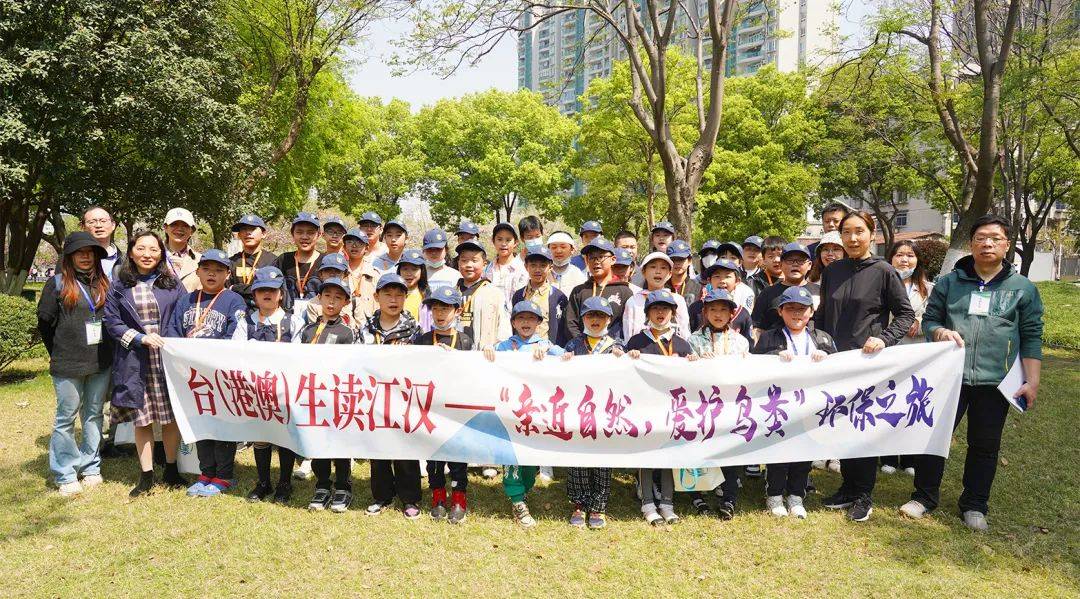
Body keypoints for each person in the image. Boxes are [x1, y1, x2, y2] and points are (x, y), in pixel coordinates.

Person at [901, 215, 1043, 532]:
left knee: (985, 445)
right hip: (949, 377)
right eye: (980, 237)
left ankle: (975, 504)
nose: (987, 243)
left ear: (1008, 245)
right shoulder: (951, 282)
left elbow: (1032, 336)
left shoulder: (1022, 289)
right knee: (934, 437)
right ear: (972, 243)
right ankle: (923, 497)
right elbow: (930, 321)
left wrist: (1031, 381)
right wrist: (938, 333)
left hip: (997, 381)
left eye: (995, 237)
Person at [817, 211, 915, 522]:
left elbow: (905, 315)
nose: (853, 238)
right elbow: (821, 318)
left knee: (862, 427)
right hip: (834, 363)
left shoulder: (884, 271)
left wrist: (884, 339)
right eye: (847, 232)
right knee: (841, 425)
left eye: (860, 231)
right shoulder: (833, 271)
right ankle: (847, 486)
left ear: (871, 235)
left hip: (868, 364)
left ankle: (863, 494)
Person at [103, 231, 187, 497]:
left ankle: (172, 469)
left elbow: (184, 314)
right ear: (131, 252)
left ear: (161, 253)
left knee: (171, 417)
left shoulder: (171, 283)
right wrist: (139, 338)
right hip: (135, 360)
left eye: (153, 249)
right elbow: (112, 322)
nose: (147, 254)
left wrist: (173, 340)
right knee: (143, 419)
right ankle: (146, 475)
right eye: (141, 248)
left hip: (167, 359)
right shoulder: (119, 285)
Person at [163, 249, 247, 498]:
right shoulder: (186, 300)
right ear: (198, 271)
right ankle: (205, 472)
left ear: (228, 274)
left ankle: (223, 475)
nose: (212, 274)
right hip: (191, 375)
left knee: (222, 424)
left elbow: (236, 335)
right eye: (207, 269)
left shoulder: (233, 300)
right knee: (199, 422)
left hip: (219, 375)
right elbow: (173, 332)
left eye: (219, 270)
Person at [38, 232, 114, 497]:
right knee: (66, 417)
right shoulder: (56, 284)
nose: (85, 256)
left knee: (93, 415)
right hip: (68, 363)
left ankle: (91, 466)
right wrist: (58, 353)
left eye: (90, 252)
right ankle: (66, 472)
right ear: (69, 257)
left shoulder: (105, 285)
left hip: (100, 361)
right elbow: (45, 325)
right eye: (80, 252)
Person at [753, 286, 837, 519]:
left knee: (804, 451)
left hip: (810, 405)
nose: (796, 314)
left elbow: (840, 369)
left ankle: (797, 495)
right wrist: (773, 358)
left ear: (811, 311)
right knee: (778, 452)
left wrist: (826, 357)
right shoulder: (769, 337)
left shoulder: (822, 338)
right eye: (790, 309)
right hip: (779, 406)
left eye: (802, 309)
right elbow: (753, 368)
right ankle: (775, 495)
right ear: (780, 311)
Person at [482, 300, 565, 528]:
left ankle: (524, 490)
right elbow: (483, 361)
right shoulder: (505, 347)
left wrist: (551, 352)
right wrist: (487, 351)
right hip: (510, 413)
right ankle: (517, 499)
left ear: (539, 322)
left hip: (535, 413)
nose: (526, 322)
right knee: (512, 457)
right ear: (513, 322)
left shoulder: (547, 345)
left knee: (530, 461)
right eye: (521, 318)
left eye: (531, 318)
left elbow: (569, 359)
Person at [625, 290, 698, 525]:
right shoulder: (637, 341)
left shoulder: (682, 344)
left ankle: (667, 503)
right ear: (647, 313)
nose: (660, 313)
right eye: (655, 309)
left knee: (668, 454)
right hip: (645, 409)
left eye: (665, 309)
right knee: (647, 455)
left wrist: (695, 364)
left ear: (673, 313)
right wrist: (630, 358)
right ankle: (647, 503)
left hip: (673, 410)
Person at [232, 266, 302, 503]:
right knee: (260, 436)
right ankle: (263, 482)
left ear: (280, 293)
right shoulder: (245, 323)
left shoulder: (294, 322)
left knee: (285, 435)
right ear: (254, 294)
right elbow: (236, 353)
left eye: (272, 290)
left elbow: (301, 356)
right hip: (256, 389)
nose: (267, 295)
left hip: (284, 388)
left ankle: (284, 483)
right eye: (261, 290)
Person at [361, 273, 423, 519]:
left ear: (406, 298)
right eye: (388, 294)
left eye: (399, 294)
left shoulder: (415, 330)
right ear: (377, 297)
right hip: (374, 397)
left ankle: (410, 498)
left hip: (404, 398)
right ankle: (382, 495)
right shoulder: (365, 329)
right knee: (379, 449)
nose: (393, 299)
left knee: (405, 449)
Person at [560, 296, 624, 529]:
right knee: (577, 457)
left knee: (601, 458)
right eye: (590, 315)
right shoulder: (573, 345)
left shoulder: (617, 347)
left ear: (609, 319)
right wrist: (564, 362)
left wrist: (626, 359)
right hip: (578, 410)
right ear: (582, 318)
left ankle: (598, 506)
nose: (595, 320)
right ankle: (578, 503)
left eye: (601, 316)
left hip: (605, 411)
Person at [295, 277, 357, 512]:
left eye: (338, 297)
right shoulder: (307, 329)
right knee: (317, 440)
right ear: (319, 298)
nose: (331, 302)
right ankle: (322, 484)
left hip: (336, 397)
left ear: (346, 302)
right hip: (311, 395)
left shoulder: (347, 332)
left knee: (338, 442)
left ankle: (342, 486)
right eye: (327, 296)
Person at [687, 288, 750, 520]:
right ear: (704, 312)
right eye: (713, 309)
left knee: (731, 449)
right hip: (702, 406)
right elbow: (684, 372)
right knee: (700, 449)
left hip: (731, 406)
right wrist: (693, 362)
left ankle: (729, 497)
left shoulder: (741, 342)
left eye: (724, 309)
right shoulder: (693, 339)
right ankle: (698, 494)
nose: (718, 314)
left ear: (732, 314)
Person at [417, 286, 474, 524]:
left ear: (457, 311)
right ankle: (438, 495)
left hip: (456, 409)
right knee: (434, 455)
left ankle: (459, 497)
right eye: (436, 308)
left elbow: (472, 373)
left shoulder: (465, 340)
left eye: (446, 308)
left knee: (458, 454)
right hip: (430, 408)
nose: (440, 314)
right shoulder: (420, 340)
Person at [880, 240, 934, 476]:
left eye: (910, 255)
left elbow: (936, 316)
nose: (904, 260)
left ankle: (910, 458)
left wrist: (921, 323)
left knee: (914, 403)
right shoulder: (880, 284)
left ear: (918, 260)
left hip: (917, 353)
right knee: (890, 403)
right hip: (890, 352)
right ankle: (888, 457)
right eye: (899, 255)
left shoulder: (928, 288)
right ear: (890, 258)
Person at [563, 237, 635, 342]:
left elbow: (629, 326)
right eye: (591, 258)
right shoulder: (579, 291)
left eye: (601, 257)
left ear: (613, 259)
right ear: (586, 261)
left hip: (613, 353)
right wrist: (582, 345)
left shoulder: (625, 291)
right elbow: (571, 323)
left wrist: (613, 347)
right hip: (583, 352)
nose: (596, 262)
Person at [751, 243, 818, 337]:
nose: (795, 264)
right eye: (790, 260)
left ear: (810, 265)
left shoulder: (820, 291)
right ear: (781, 264)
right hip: (775, 348)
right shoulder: (768, 293)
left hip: (812, 348)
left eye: (800, 261)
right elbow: (757, 327)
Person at [455, 240, 511, 352]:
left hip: (483, 354)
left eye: (474, 260)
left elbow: (504, 328)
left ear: (484, 264)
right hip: (454, 353)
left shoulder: (494, 293)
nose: (469, 265)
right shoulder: (452, 292)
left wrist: (498, 348)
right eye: (464, 260)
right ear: (458, 263)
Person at [622, 252, 690, 339]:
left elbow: (685, 334)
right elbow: (629, 335)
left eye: (663, 268)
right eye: (653, 267)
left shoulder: (677, 300)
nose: (658, 272)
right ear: (643, 272)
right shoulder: (634, 301)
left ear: (670, 274)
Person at [511, 246, 568, 346]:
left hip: (548, 352)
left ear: (550, 267)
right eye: (533, 265)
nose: (537, 270)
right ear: (526, 266)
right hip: (522, 350)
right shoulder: (518, 295)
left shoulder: (558, 297)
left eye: (542, 265)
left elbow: (563, 328)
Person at [688, 259, 754, 341]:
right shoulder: (696, 309)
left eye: (727, 276)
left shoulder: (742, 313)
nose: (722, 281)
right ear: (709, 280)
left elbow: (749, 347)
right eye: (717, 276)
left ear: (737, 281)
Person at [273, 212, 322, 309]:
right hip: (286, 320)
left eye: (310, 232)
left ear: (319, 234)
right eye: (299, 232)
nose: (304, 237)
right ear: (292, 234)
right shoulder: (283, 260)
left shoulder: (326, 261)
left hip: (318, 319)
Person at [228, 214, 277, 306]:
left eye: (252, 229)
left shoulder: (273, 261)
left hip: (263, 313)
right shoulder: (231, 261)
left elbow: (269, 290)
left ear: (264, 234)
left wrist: (236, 288)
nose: (248, 233)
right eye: (244, 229)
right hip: (235, 310)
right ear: (239, 235)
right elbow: (226, 289)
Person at [484, 222, 528, 304]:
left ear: (516, 242)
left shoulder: (522, 269)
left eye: (508, 240)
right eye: (499, 239)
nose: (503, 244)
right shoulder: (486, 270)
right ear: (493, 241)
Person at [162, 207, 201, 292]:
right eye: (174, 224)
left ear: (192, 231)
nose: (179, 229)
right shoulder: (152, 257)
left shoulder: (201, 260)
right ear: (165, 227)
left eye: (185, 225)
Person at [344, 228, 377, 324]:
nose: (354, 245)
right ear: (344, 247)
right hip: (344, 325)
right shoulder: (339, 271)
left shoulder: (374, 274)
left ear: (366, 248)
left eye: (359, 242)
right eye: (349, 242)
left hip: (369, 326)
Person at [81, 206, 123, 277]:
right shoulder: (70, 258)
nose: (98, 225)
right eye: (92, 222)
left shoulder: (126, 260)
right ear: (83, 227)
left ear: (113, 225)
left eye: (103, 221)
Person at [397, 249, 432, 331]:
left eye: (414, 269)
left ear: (422, 271)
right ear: (399, 271)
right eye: (405, 269)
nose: (409, 273)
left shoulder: (427, 296)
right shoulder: (393, 296)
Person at [547, 231, 587, 296]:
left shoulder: (578, 274)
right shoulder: (541, 273)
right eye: (554, 247)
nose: (558, 251)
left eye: (563, 247)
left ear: (572, 249)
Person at [422, 228, 462, 292]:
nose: (434, 253)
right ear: (424, 251)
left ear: (446, 250)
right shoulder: (419, 274)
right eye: (430, 249)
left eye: (438, 249)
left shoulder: (456, 275)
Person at [665, 240, 702, 307]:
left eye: (681, 259)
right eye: (673, 259)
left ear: (689, 261)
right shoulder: (661, 287)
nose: (677, 263)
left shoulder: (698, 288)